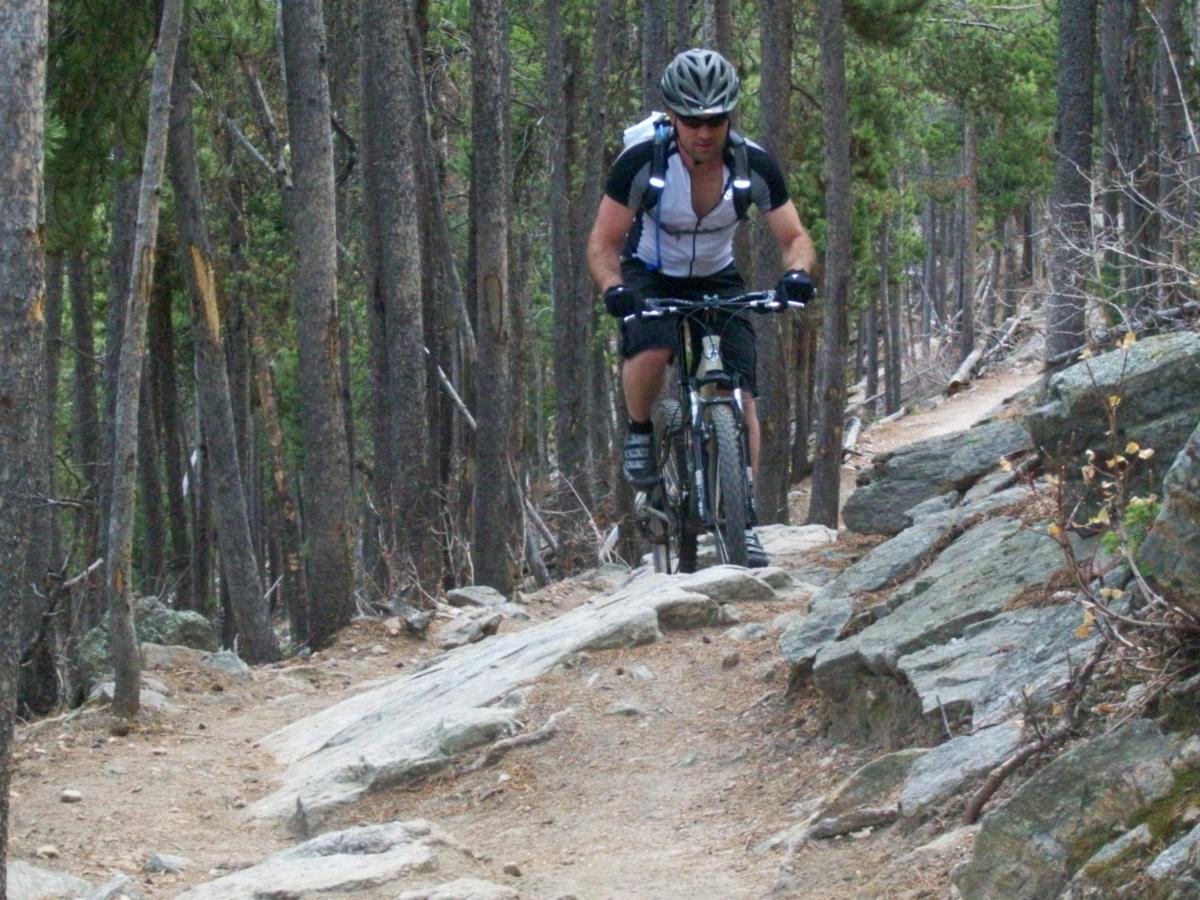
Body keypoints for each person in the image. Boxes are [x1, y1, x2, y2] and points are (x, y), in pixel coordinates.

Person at [586, 47, 817, 567]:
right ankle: (642, 430)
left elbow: (794, 235)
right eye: (692, 120)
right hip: (650, 270)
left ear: (729, 116)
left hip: (718, 276)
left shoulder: (752, 163)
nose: (704, 132)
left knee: (740, 392)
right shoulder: (640, 163)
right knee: (651, 350)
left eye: (714, 119)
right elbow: (602, 241)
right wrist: (614, 289)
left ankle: (745, 517)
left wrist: (797, 274)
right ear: (673, 117)